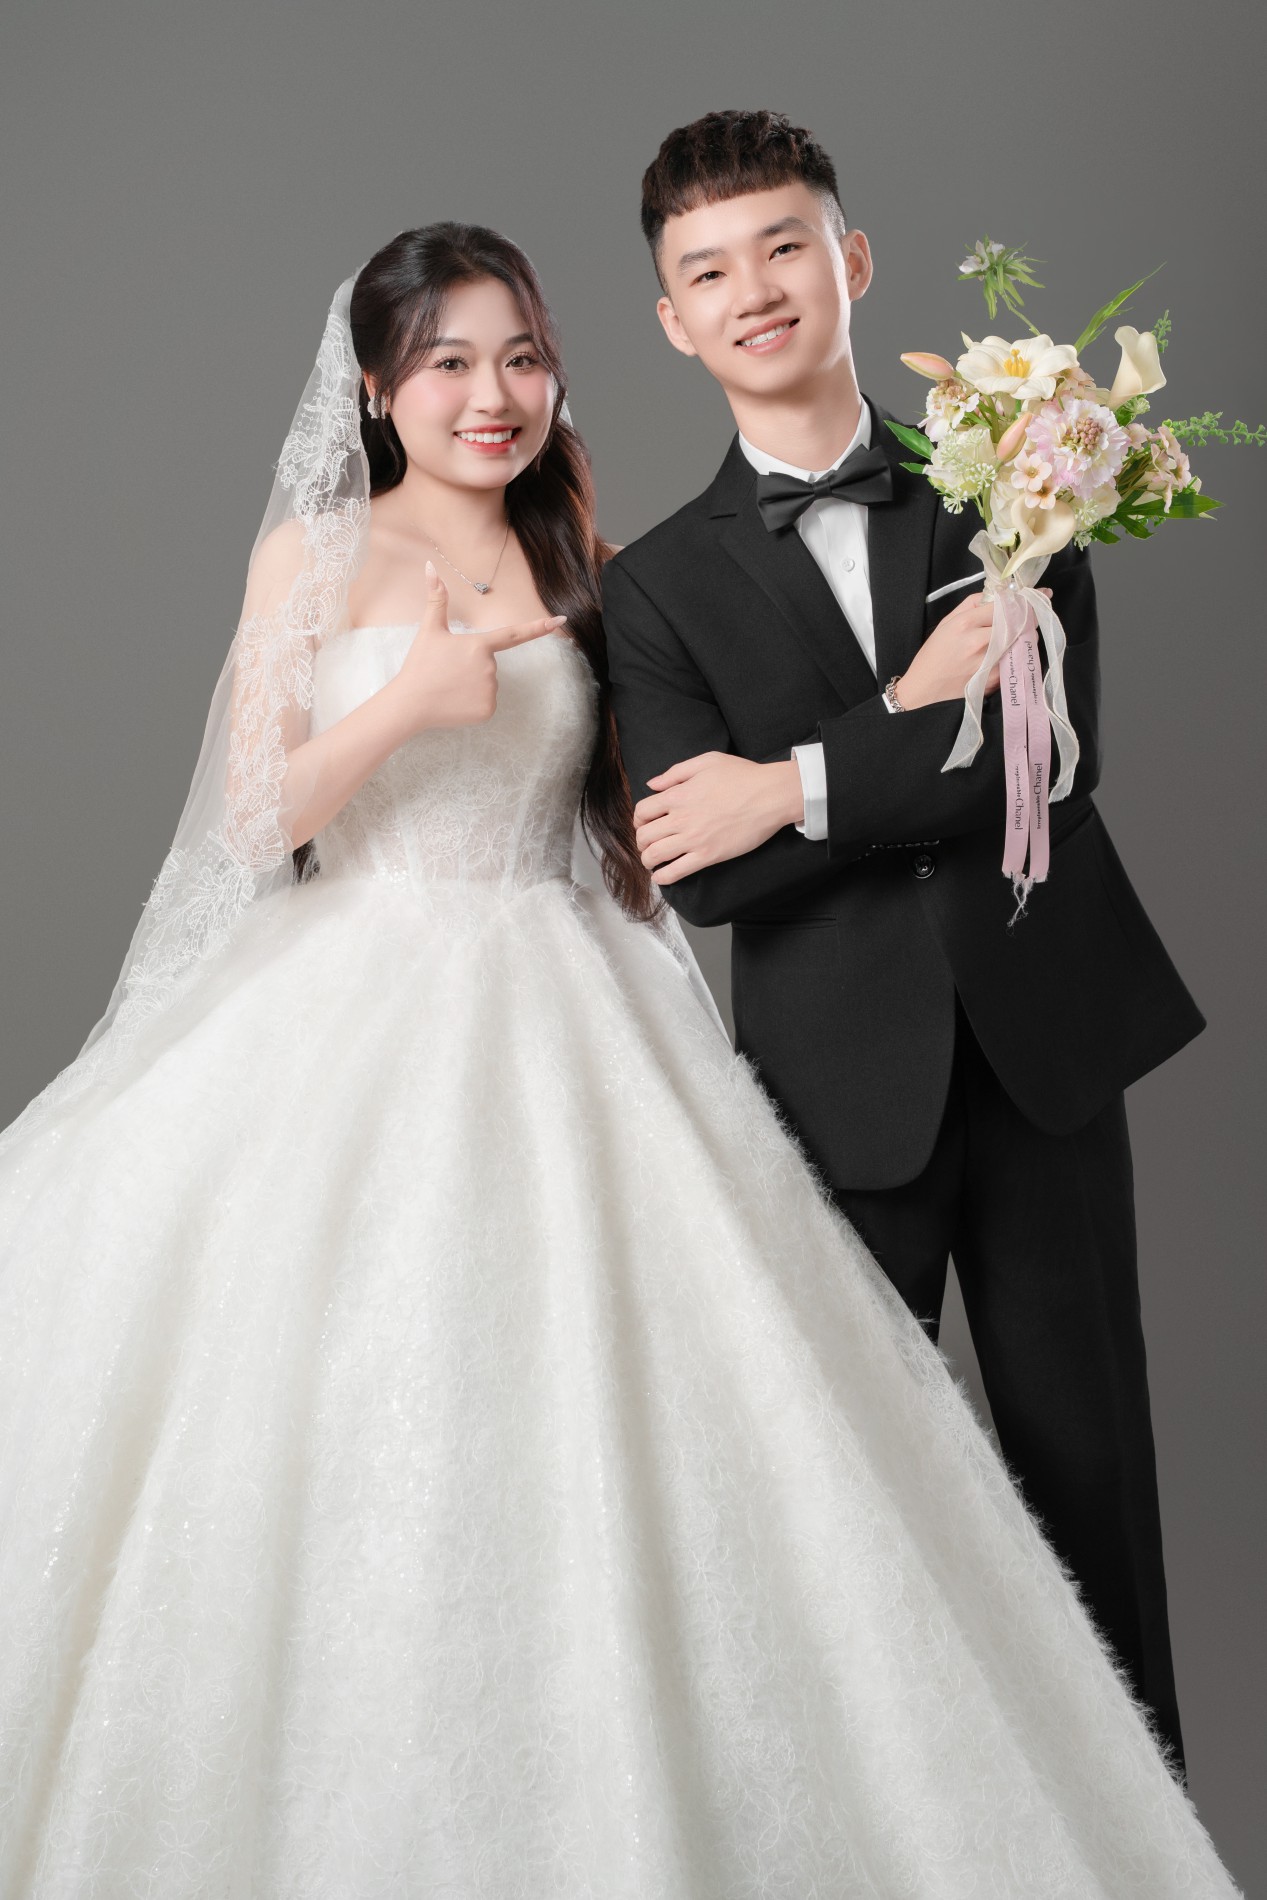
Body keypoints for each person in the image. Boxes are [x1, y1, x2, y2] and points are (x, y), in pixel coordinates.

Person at [0, 224, 1236, 1900]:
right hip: (350, 1012)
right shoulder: (315, 553)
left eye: (521, 357)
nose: (492, 395)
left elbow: (658, 828)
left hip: (573, 1005)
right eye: (448, 363)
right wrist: (404, 703)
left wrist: (872, 736)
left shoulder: (588, 554)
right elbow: (247, 823)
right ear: (373, 388)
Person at [602, 108, 1205, 1777]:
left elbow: (1046, 764)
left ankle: (1145, 1854)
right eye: (708, 272)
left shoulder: (1017, 479)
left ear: (851, 259)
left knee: (1095, 1490)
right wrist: (907, 727)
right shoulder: (651, 590)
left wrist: (788, 785)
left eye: (784, 247)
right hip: (834, 1094)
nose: (754, 290)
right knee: (852, 1525)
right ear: (673, 321)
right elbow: (699, 875)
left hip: (1048, 1050)